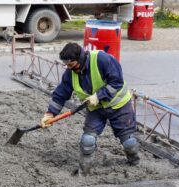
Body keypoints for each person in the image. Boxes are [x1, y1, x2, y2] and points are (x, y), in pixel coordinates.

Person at [40, 43, 139, 175]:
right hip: (96, 109)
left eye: (71, 64)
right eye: (66, 65)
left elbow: (117, 82)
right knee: (87, 141)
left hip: (119, 106)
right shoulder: (71, 73)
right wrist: (50, 114)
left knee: (129, 143)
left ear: (80, 59)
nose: (68, 68)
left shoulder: (102, 60)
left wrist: (99, 95)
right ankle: (84, 171)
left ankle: (135, 163)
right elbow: (61, 93)